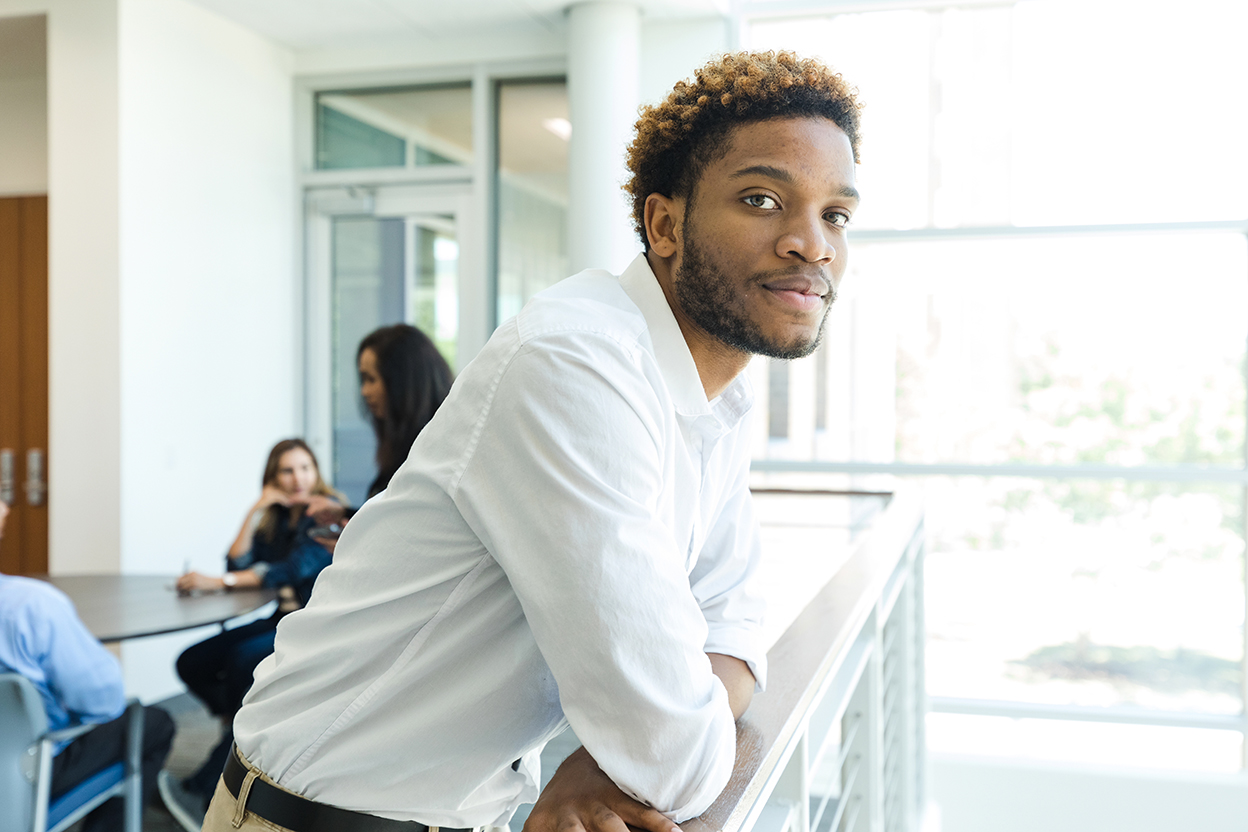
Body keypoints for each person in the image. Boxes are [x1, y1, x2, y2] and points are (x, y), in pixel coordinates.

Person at [208, 50, 861, 832]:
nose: (811, 243)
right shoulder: (574, 365)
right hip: (311, 818)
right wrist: (650, 735)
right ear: (664, 224)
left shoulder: (712, 398)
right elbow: (672, 756)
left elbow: (737, 627)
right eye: (762, 199)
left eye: (837, 215)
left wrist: (605, 757)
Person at [161, 439, 342, 829]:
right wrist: (256, 509)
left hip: (312, 621)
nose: (298, 479)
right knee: (192, 662)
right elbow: (239, 560)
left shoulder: (327, 514)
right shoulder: (279, 517)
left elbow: (287, 570)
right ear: (273, 478)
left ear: (317, 471)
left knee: (244, 662)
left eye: (305, 468)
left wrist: (219, 581)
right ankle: (234, 722)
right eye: (288, 471)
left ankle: (205, 785)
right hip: (279, 616)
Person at [0, 501, 176, 832]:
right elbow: (103, 703)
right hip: (25, 776)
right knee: (153, 723)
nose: (7, 507)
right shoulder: (32, 607)